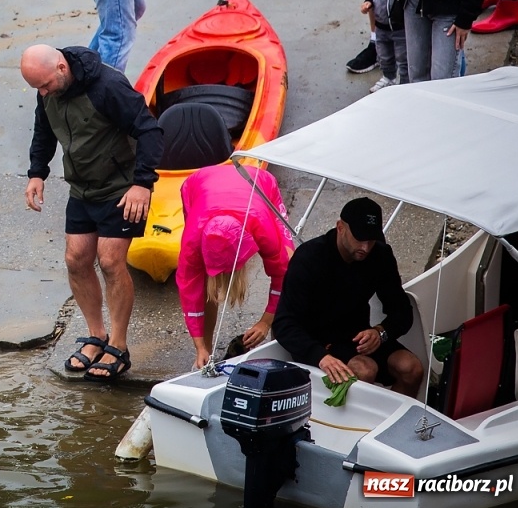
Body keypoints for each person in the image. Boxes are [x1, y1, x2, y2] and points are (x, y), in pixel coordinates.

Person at [22, 44, 163, 382]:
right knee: (76, 258)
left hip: (122, 188)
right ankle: (96, 335)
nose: (42, 94)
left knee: (111, 260)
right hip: (82, 188)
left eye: (45, 85)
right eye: (36, 89)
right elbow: (44, 131)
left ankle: (119, 343)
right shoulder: (47, 91)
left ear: (60, 67)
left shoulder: (108, 87)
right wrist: (36, 172)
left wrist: (143, 183)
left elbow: (150, 131)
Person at [272, 198, 425, 397]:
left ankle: (391, 421)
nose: (365, 247)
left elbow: (402, 311)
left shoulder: (380, 255)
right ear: (340, 227)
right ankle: (360, 426)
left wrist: (380, 332)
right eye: (359, 238)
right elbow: (284, 323)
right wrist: (320, 356)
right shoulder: (309, 258)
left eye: (371, 240)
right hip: (317, 341)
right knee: (365, 369)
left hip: (356, 335)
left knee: (411, 368)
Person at [177, 154, 295, 369]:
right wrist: (199, 346)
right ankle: (206, 354)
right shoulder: (193, 240)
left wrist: (265, 322)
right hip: (198, 184)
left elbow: (282, 275)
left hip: (259, 184)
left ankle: (279, 352)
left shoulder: (261, 224)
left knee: (289, 260)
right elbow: (188, 290)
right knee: (202, 284)